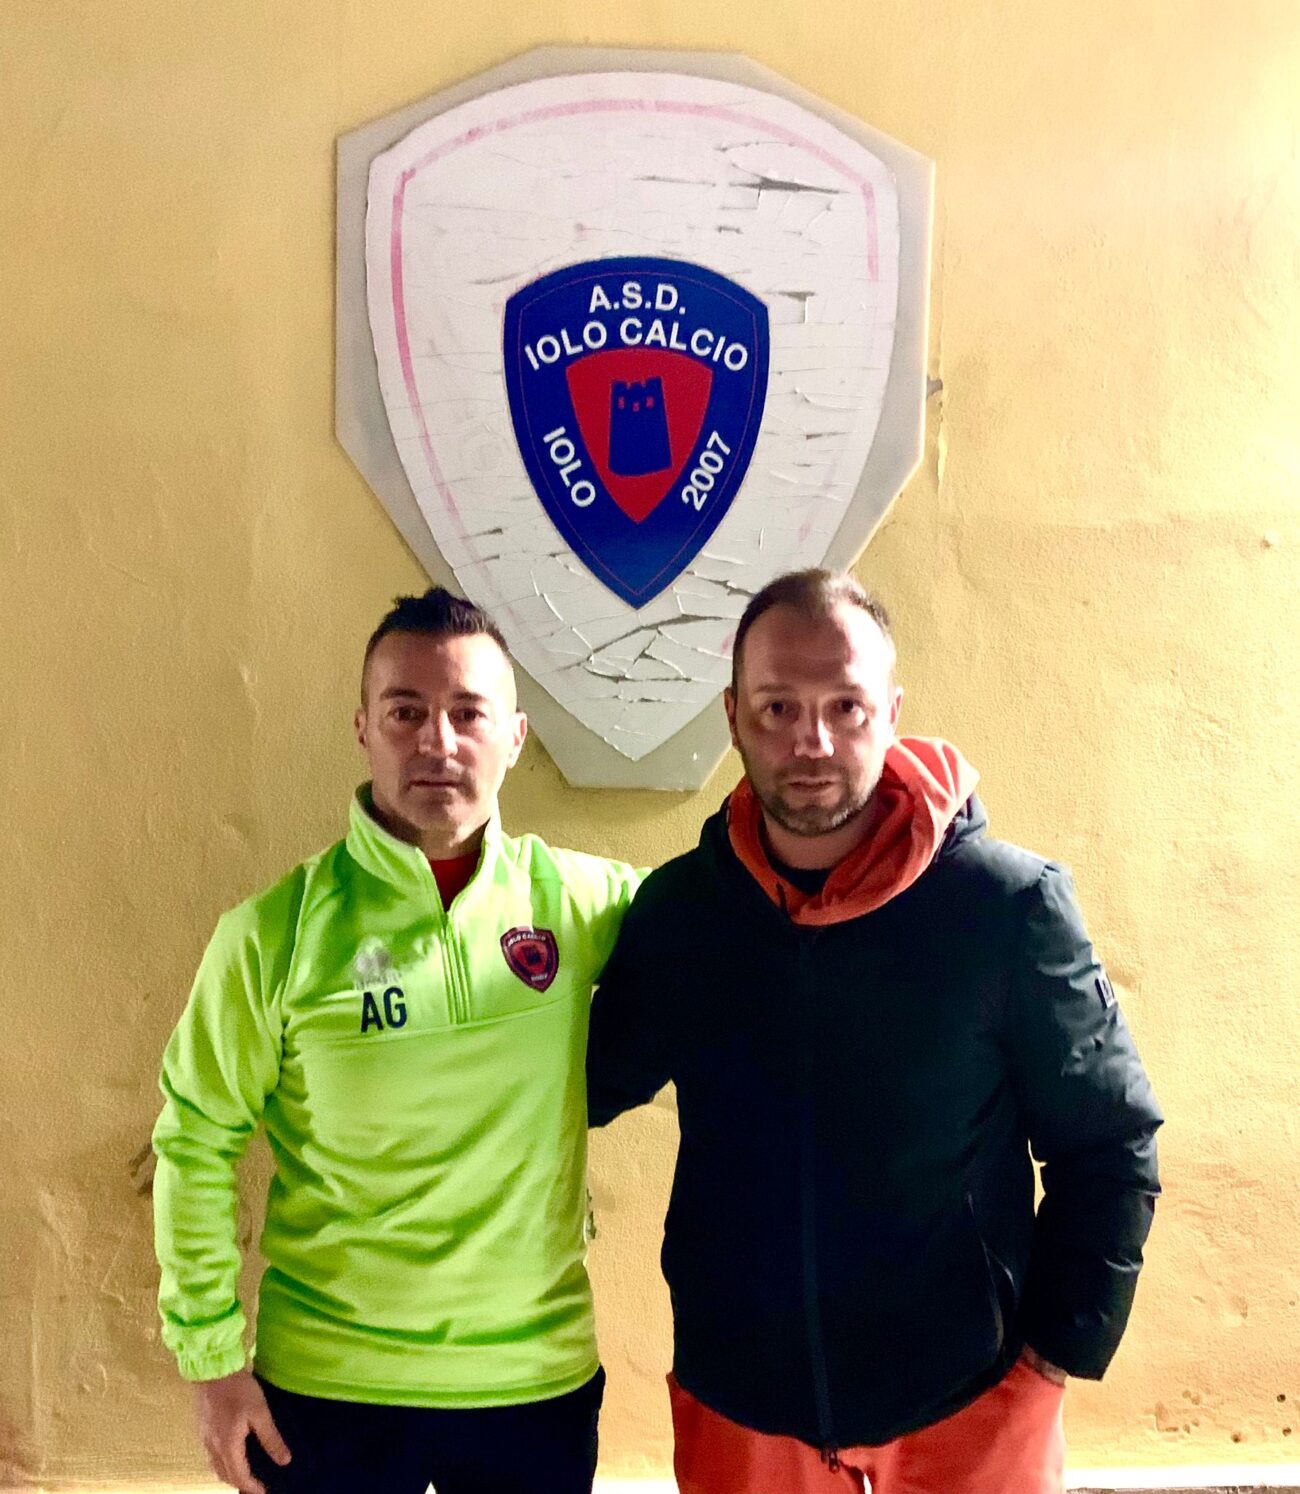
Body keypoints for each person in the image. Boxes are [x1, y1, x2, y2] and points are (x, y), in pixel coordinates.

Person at [586, 568, 1162, 1494]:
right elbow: (576, 1081)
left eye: (845, 707)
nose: (811, 740)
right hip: (742, 1406)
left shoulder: (1007, 908)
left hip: (972, 1410)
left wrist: (1056, 1354)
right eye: (778, 707)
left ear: (890, 713)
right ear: (733, 716)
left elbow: (1110, 1140)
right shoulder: (683, 915)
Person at [153, 587, 642, 1494]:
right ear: (364, 730)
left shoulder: (581, 904)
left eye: (468, 713)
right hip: (326, 1389)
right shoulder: (273, 934)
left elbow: (741, 911)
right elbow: (195, 1138)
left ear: (516, 736)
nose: (436, 742)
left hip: (532, 1384)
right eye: (405, 712)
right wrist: (210, 1361)